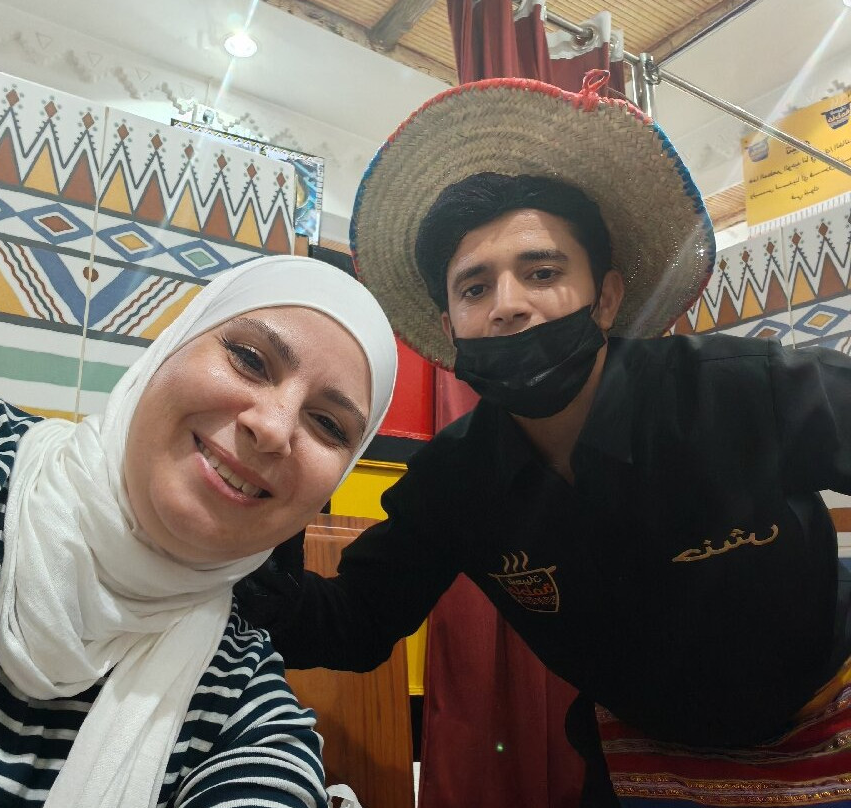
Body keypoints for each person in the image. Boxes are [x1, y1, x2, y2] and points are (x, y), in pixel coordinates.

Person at [237, 73, 851, 804]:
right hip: (641, 760)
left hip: (830, 715)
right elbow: (355, 624)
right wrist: (245, 550)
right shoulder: (453, 483)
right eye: (475, 288)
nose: (509, 306)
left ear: (607, 298)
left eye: (542, 272)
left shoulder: (741, 390)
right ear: (450, 329)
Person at [0, 255, 398, 808]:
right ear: (168, 350)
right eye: (250, 359)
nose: (273, 428)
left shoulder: (239, 696)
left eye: (328, 424)